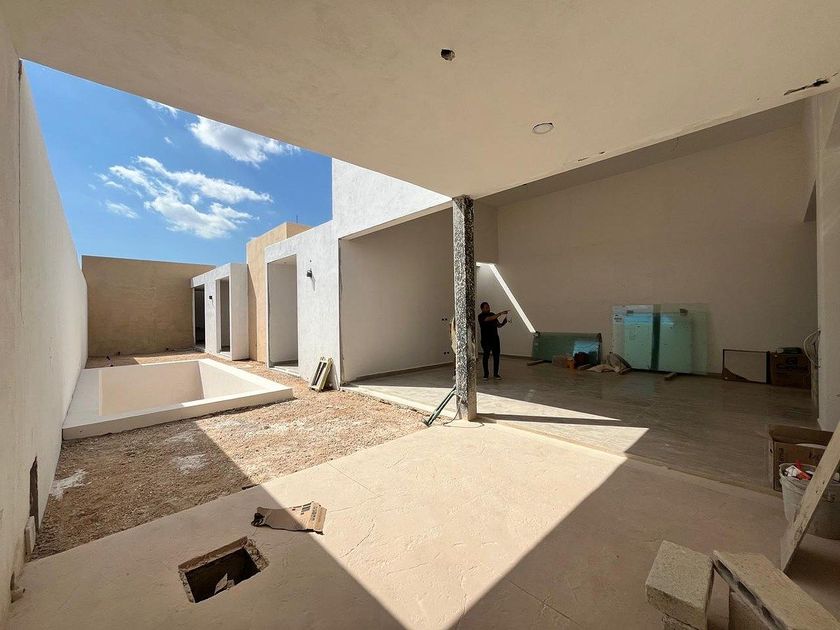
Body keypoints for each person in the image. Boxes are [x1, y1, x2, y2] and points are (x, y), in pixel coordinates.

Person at [477, 302, 508, 380]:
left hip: (495, 339)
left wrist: (504, 323)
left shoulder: (493, 314)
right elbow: (489, 319)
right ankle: (486, 374)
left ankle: (496, 374)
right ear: (482, 309)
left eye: (488, 307)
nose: (488, 308)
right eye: (486, 307)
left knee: (496, 356)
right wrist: (500, 313)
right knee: (486, 356)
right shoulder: (480, 316)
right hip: (486, 340)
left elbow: (498, 325)